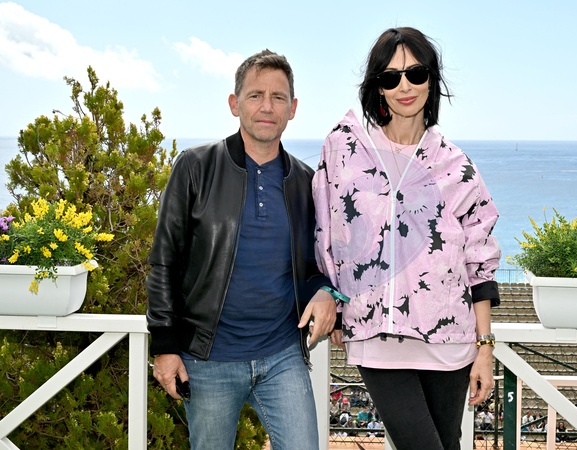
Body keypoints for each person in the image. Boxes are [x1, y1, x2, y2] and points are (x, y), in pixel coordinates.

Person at [313, 27, 501, 450]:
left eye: (416, 74)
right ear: (377, 86)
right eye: (391, 77)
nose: (405, 86)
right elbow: (326, 232)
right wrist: (334, 300)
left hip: (450, 339)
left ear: (431, 80)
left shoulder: (455, 165)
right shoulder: (344, 150)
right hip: (374, 334)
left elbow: (480, 260)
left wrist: (485, 347)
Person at [146, 49, 338, 450]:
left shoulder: (306, 182)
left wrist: (325, 291)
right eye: (255, 95)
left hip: (283, 356)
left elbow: (311, 263)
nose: (267, 107)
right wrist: (164, 346)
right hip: (208, 360)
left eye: (278, 97)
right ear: (235, 104)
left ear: (293, 109)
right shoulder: (195, 167)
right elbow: (164, 260)